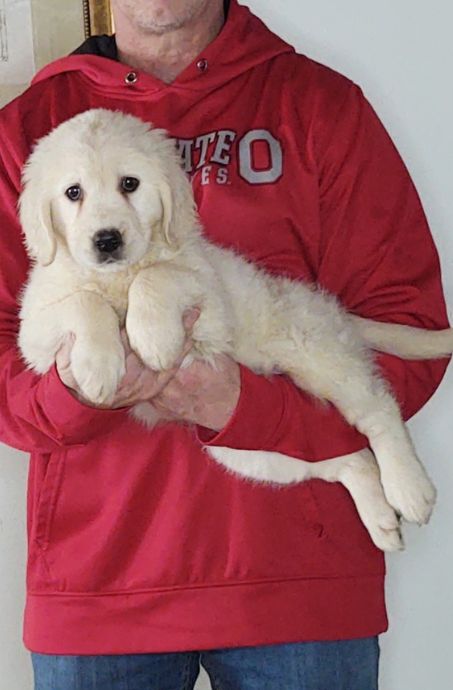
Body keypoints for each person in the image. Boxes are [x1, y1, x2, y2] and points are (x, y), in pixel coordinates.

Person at [0, 1, 449, 688]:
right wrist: (78, 394)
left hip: (296, 589)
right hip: (101, 593)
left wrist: (251, 410)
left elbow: (401, 320)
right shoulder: (30, 129)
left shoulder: (319, 106)